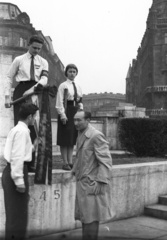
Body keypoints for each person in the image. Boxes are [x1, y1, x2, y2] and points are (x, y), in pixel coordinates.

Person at [6, 34, 49, 171]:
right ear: (28, 45)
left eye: (39, 49)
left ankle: (30, 163)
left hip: (35, 92)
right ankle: (19, 162)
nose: (36, 51)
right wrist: (7, 97)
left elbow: (44, 80)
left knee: (33, 128)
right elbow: (8, 77)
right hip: (20, 91)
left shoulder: (43, 62)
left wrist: (31, 90)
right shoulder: (18, 60)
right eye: (34, 47)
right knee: (20, 128)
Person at [72, 110, 113, 240]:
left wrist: (100, 181)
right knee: (86, 219)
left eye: (79, 120)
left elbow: (106, 161)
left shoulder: (96, 136)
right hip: (82, 184)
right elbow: (81, 156)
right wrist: (74, 169)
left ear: (88, 120)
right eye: (74, 120)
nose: (75, 123)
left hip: (91, 185)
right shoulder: (81, 134)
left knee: (91, 220)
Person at [2, 102, 39, 240]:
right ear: (30, 117)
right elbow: (17, 157)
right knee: (17, 218)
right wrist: (19, 180)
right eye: (34, 117)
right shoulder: (22, 131)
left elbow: (20, 152)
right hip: (15, 171)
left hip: (13, 170)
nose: (35, 119)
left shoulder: (18, 130)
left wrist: (33, 147)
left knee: (15, 217)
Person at [56, 64, 83, 170]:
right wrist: (62, 114)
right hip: (66, 111)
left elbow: (80, 100)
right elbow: (60, 101)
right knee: (64, 138)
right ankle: (65, 162)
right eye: (70, 71)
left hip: (74, 112)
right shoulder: (63, 85)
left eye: (74, 71)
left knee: (72, 138)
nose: (72, 73)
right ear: (66, 73)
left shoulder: (78, 87)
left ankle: (70, 161)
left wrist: (80, 111)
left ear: (76, 73)